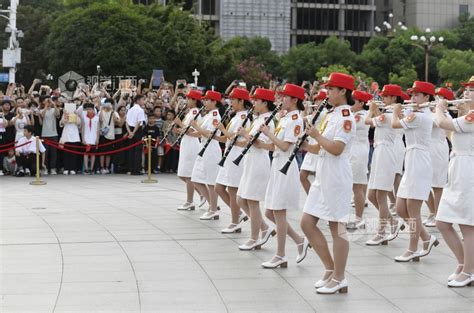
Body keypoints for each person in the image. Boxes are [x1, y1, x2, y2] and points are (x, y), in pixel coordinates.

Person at [299, 72, 355, 294]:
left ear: (343, 91)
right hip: (323, 174)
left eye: (331, 89)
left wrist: (316, 135)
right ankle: (330, 269)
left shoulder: (346, 117)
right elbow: (320, 148)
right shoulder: (331, 115)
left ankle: (340, 278)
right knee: (306, 223)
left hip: (337, 176)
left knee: (337, 228)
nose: (327, 92)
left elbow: (336, 148)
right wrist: (305, 143)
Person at [259, 83, 309, 268]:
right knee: (270, 212)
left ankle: (280, 255)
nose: (281, 100)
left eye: (285, 97)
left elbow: (285, 146)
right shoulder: (285, 117)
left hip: (286, 166)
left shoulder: (296, 118)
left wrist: (267, 133)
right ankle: (299, 241)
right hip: (277, 163)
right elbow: (274, 146)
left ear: (294, 100)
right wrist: (259, 142)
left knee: (278, 212)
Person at [392, 81, 438, 262]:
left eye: (417, 95)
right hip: (411, 160)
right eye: (412, 95)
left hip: (419, 161)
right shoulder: (416, 114)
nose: (412, 98)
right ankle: (426, 238)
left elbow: (395, 125)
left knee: (412, 209)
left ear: (427, 97)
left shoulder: (420, 116)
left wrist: (396, 113)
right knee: (400, 208)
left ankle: (412, 249)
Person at [435, 76, 474, 287]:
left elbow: (442, 122)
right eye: (466, 89)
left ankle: (469, 271)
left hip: (468, 171)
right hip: (457, 169)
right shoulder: (468, 115)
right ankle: (464, 263)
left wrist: (440, 107)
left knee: (468, 225)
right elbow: (448, 132)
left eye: (471, 90)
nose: (466, 93)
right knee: (443, 222)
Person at [236, 88, 277, 250]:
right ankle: (264, 228)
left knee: (252, 201)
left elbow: (263, 144)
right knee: (241, 199)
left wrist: (246, 135)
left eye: (256, 101)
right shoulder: (259, 119)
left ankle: (254, 238)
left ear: (265, 103)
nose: (253, 103)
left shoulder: (269, 121)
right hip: (250, 161)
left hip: (259, 162)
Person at [365, 84, 405, 246]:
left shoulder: (388, 115)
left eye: (385, 96)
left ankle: (381, 232)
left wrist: (372, 109)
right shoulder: (388, 114)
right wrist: (376, 109)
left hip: (385, 154)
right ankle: (392, 222)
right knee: (371, 195)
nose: (382, 99)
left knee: (380, 196)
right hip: (379, 152)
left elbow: (368, 121)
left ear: (394, 98)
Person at [215, 88, 252, 233]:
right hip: (229, 156)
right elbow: (227, 138)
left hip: (237, 156)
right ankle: (239, 214)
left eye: (233, 100)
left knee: (233, 190)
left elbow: (240, 139)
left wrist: (223, 129)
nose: (231, 103)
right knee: (219, 188)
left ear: (241, 101)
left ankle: (235, 221)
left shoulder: (245, 118)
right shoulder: (236, 116)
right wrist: (216, 135)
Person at [190, 90, 223, 220]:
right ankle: (212, 205)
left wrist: (196, 127)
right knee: (196, 179)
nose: (204, 102)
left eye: (207, 100)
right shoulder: (208, 115)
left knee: (210, 181)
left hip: (211, 149)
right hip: (203, 147)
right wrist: (189, 131)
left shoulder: (215, 116)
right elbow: (201, 133)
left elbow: (210, 134)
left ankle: (213, 209)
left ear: (214, 102)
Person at [424, 87, 453, 227]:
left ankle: (438, 215)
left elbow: (435, 123)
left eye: (439, 97)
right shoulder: (429, 112)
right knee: (423, 183)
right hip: (427, 148)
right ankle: (432, 211)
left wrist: (436, 110)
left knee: (437, 185)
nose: (435, 99)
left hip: (439, 149)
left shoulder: (446, 115)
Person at [346, 90, 372, 230]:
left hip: (357, 152)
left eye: (354, 101)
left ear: (361, 103)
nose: (351, 103)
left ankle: (359, 218)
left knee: (357, 187)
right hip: (353, 151)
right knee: (354, 186)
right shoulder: (354, 114)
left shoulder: (361, 116)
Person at [174, 90, 203, 211]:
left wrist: (180, 124)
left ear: (195, 100)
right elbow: (187, 131)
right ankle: (202, 194)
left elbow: (192, 131)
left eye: (189, 98)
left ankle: (190, 201)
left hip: (192, 145)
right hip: (186, 143)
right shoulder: (190, 112)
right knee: (182, 174)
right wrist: (178, 130)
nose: (187, 101)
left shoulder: (196, 112)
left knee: (188, 175)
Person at [299, 90, 327, 194]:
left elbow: (302, 119)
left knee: (318, 179)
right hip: (311, 146)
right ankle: (312, 199)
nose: (316, 102)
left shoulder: (323, 113)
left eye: (318, 99)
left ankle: (316, 200)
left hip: (318, 146)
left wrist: (304, 109)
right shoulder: (316, 113)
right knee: (302, 175)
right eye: (315, 99)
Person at [126, 95, 146, 175]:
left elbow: (126, 122)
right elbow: (138, 122)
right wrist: (133, 132)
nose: (143, 101)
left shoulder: (130, 109)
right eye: (142, 100)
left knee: (131, 150)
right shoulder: (140, 110)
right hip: (137, 130)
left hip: (130, 129)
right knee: (137, 151)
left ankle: (130, 169)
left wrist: (130, 132)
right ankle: (136, 169)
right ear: (137, 101)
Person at [98, 98, 119, 174]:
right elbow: (100, 120)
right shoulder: (101, 111)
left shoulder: (114, 112)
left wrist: (112, 111)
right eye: (106, 103)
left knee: (108, 153)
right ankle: (101, 167)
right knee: (102, 152)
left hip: (111, 135)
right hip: (103, 134)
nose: (108, 105)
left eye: (110, 104)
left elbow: (117, 121)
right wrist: (101, 108)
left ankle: (107, 167)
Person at [40, 95, 60, 175]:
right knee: (45, 152)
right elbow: (42, 115)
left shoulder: (53, 110)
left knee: (53, 152)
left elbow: (58, 114)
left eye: (48, 101)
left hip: (54, 133)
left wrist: (53, 104)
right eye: (46, 100)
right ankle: (45, 168)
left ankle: (53, 168)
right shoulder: (42, 110)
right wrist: (45, 106)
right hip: (45, 134)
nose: (48, 102)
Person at [59, 104, 81, 175]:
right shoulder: (65, 114)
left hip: (74, 135)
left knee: (73, 153)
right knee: (66, 153)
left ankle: (72, 168)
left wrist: (76, 115)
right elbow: (61, 123)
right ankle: (66, 168)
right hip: (66, 135)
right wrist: (65, 115)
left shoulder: (76, 114)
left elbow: (79, 123)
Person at [81, 102, 100, 174]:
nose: (89, 111)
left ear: (93, 110)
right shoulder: (84, 117)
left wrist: (97, 138)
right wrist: (83, 138)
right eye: (87, 109)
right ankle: (86, 168)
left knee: (93, 154)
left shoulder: (97, 118)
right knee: (85, 154)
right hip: (86, 138)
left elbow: (98, 129)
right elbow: (82, 128)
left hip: (94, 138)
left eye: (90, 109)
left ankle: (91, 168)